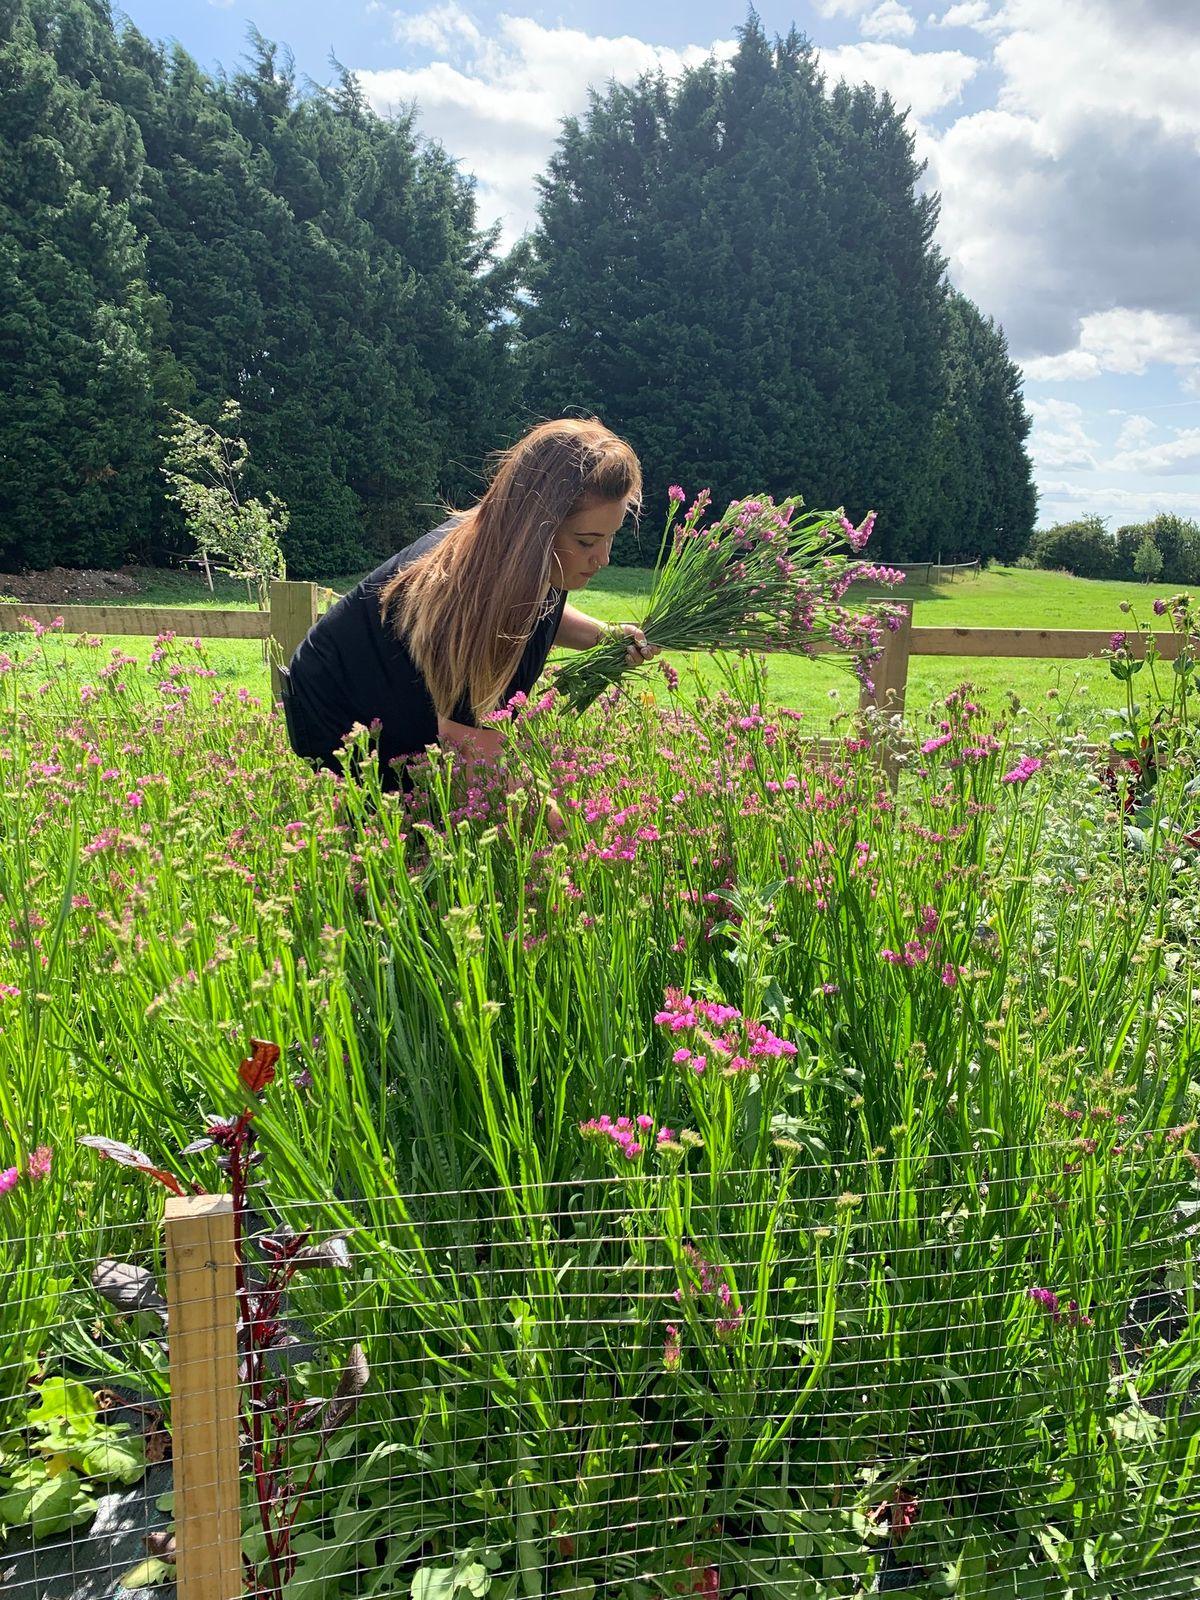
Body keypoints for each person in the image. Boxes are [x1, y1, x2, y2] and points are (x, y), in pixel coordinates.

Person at [280, 417, 657, 796]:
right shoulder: (479, 595)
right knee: (410, 826)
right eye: (588, 541)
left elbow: (544, 614)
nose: (603, 559)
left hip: (403, 703)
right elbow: (469, 750)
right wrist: (558, 825)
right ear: (536, 528)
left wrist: (605, 636)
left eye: (610, 537)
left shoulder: (538, 560)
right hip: (338, 714)